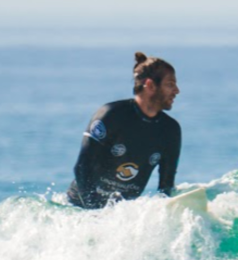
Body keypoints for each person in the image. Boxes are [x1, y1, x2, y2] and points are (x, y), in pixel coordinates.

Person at [67, 52, 181, 209]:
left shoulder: (170, 130)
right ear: (150, 85)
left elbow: (166, 186)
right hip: (79, 208)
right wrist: (93, 211)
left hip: (121, 216)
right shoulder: (111, 115)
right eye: (170, 84)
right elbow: (82, 167)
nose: (177, 90)